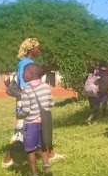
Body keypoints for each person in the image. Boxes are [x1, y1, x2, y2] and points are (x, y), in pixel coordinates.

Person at [4, 38, 64, 167]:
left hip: (31, 99)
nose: (39, 50)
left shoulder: (27, 62)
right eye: (37, 48)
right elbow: (24, 83)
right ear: (31, 49)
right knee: (20, 129)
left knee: (41, 126)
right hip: (27, 101)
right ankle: (8, 158)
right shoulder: (25, 63)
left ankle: (50, 153)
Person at [18, 63, 55, 176]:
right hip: (45, 123)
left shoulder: (26, 90)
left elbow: (26, 110)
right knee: (43, 146)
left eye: (24, 72)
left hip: (31, 124)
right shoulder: (45, 86)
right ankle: (46, 167)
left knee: (30, 150)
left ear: (30, 74)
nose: (22, 75)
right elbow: (51, 103)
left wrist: (19, 114)